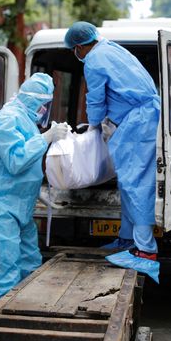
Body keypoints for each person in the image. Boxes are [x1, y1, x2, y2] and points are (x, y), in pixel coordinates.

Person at [64, 21, 161, 270]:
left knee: (136, 185)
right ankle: (128, 240)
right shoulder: (112, 48)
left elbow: (96, 99)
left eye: (74, 50)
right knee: (127, 183)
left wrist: (93, 127)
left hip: (137, 124)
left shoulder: (94, 60)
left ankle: (145, 251)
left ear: (79, 47)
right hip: (140, 119)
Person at [0, 73, 68, 307]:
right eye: (44, 104)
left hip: (19, 206)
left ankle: (25, 317)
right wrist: (46, 138)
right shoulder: (6, 119)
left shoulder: (25, 120)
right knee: (5, 273)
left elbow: (26, 170)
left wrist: (40, 193)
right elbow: (16, 160)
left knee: (30, 264)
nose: (45, 110)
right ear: (36, 101)